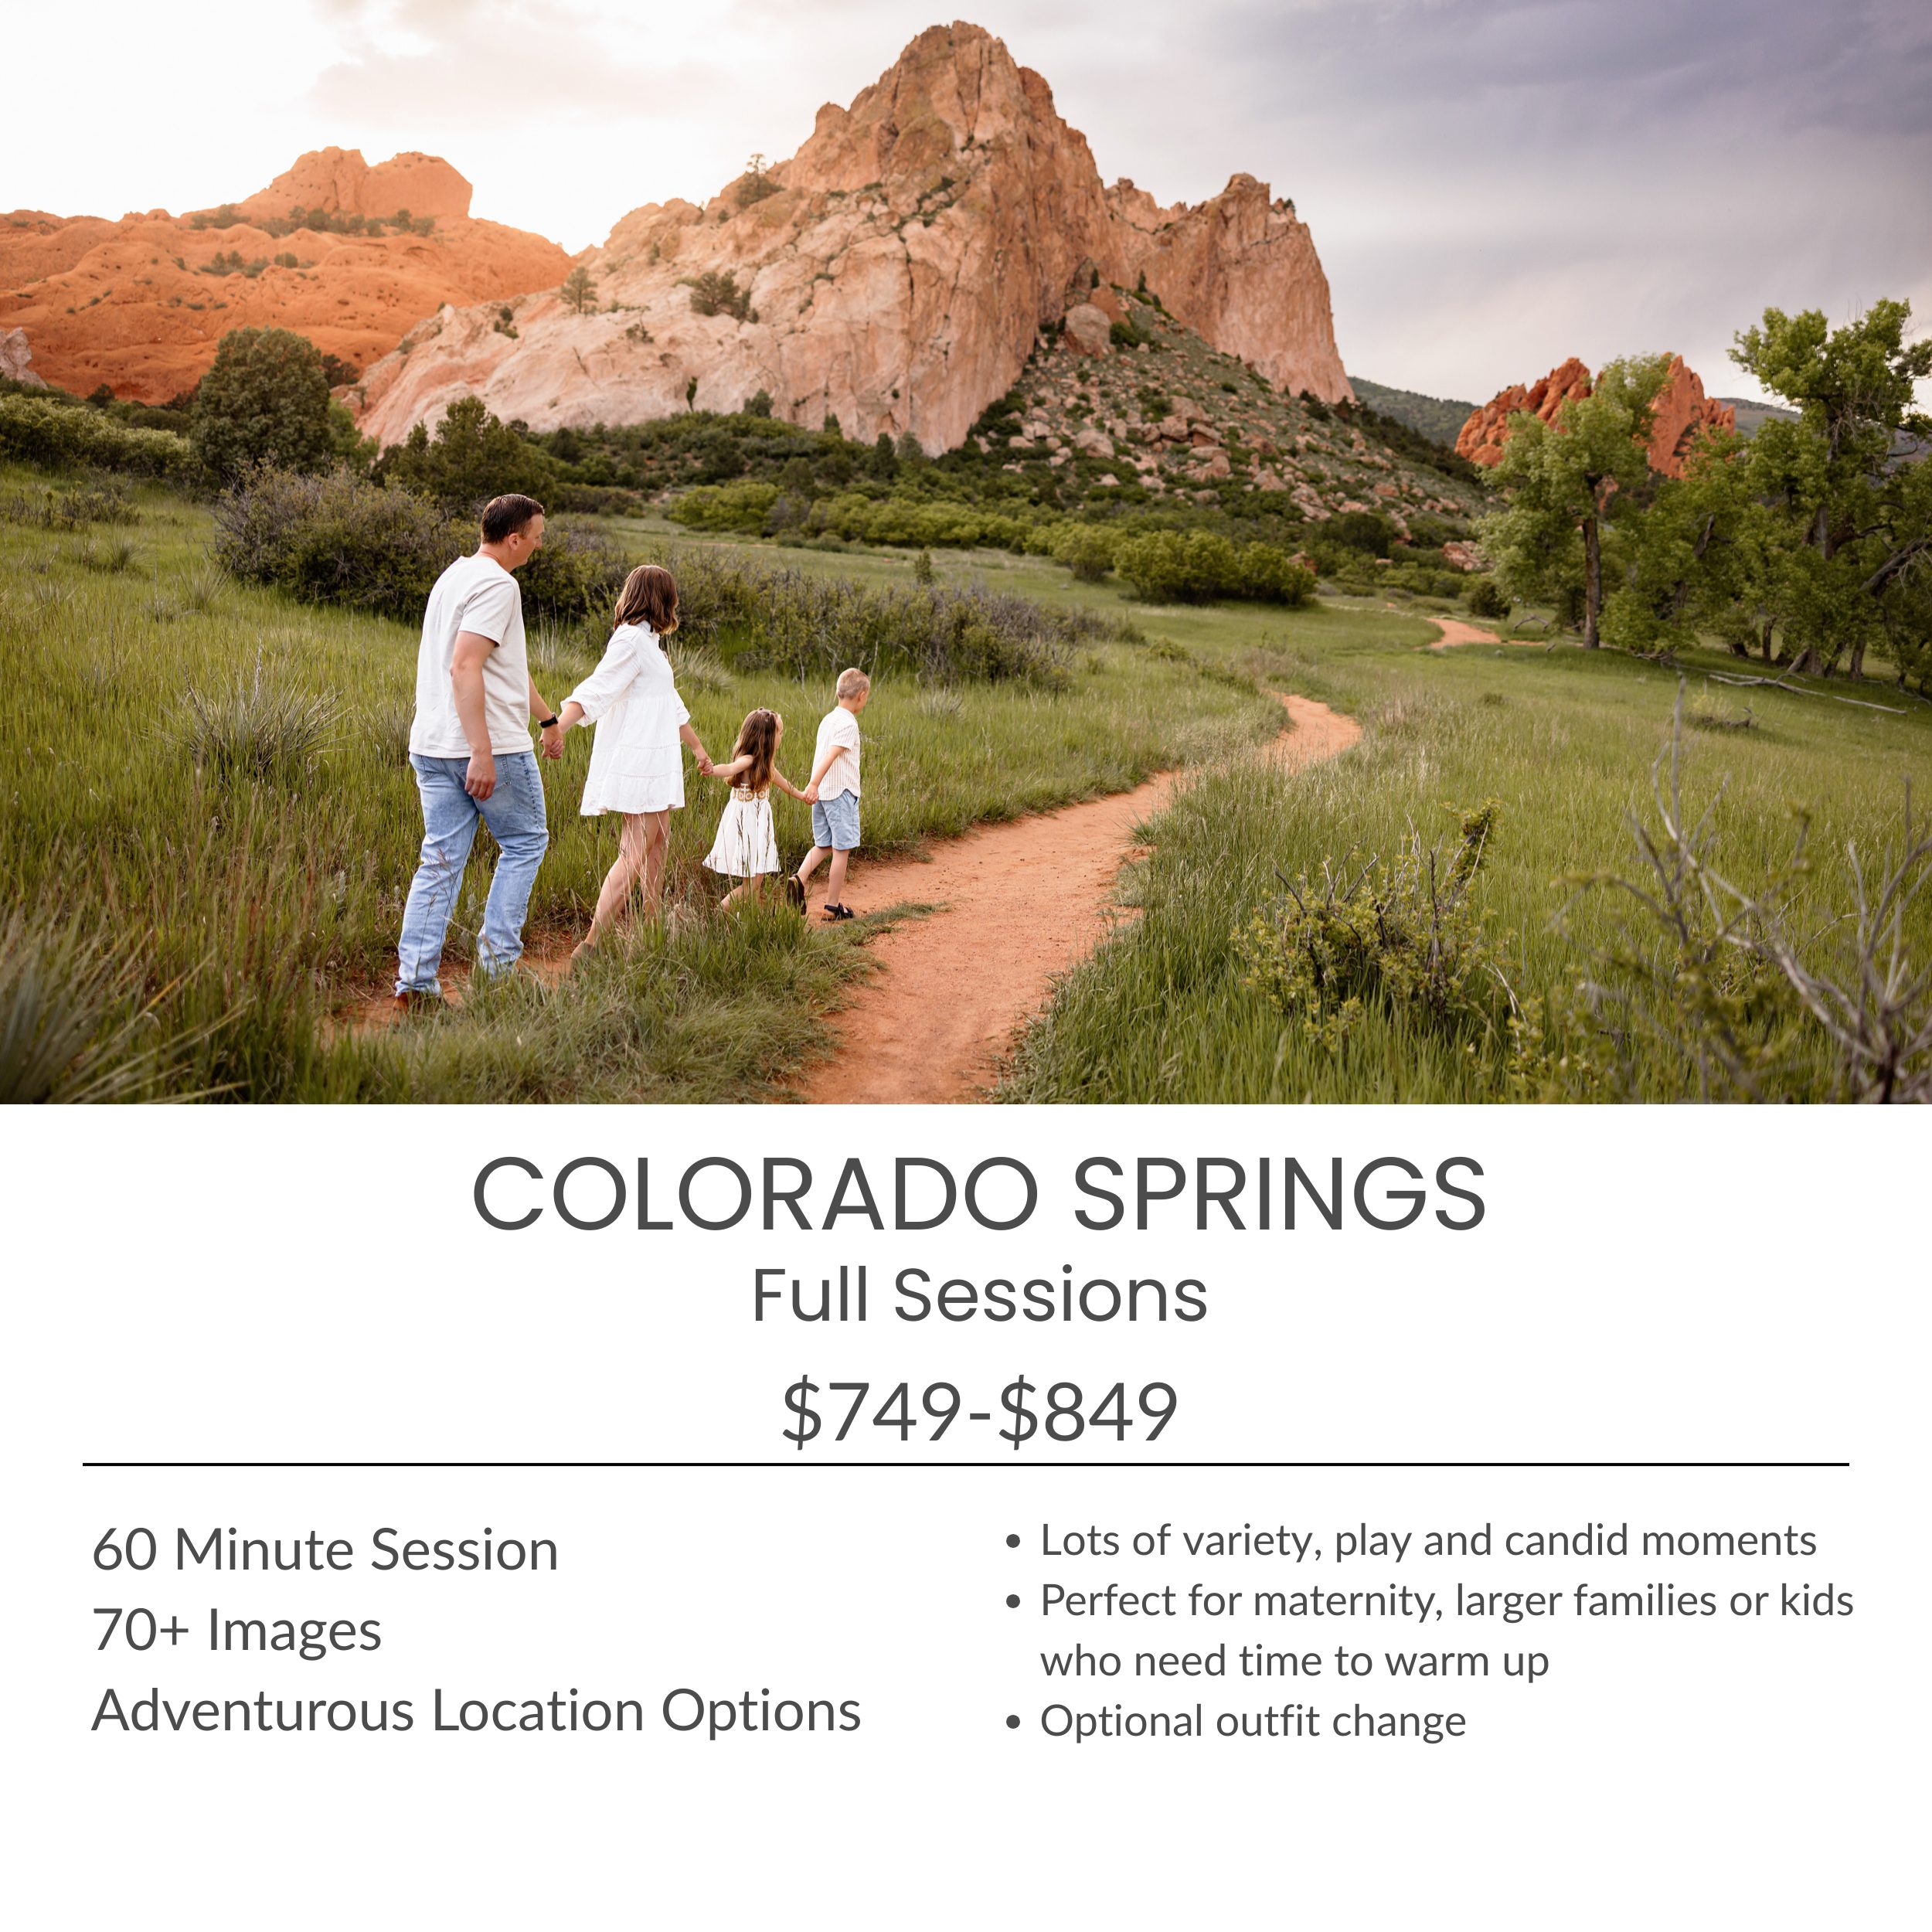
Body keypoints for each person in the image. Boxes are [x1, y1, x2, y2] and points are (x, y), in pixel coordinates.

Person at [393, 492, 563, 1008]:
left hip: (432, 744)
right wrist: (482, 752)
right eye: (535, 537)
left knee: (440, 861)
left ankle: (415, 984)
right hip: (486, 747)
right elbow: (464, 666)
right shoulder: (499, 584)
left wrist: (548, 718)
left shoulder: (455, 576)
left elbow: (501, 665)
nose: (537, 546)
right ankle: (497, 974)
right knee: (526, 842)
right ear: (514, 539)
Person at [554, 563, 713, 960]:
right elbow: (597, 688)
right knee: (635, 853)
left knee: (658, 844)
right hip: (640, 763)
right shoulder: (628, 640)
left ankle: (651, 931)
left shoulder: (650, 645)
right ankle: (590, 945)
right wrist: (557, 726)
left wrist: (697, 748)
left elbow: (670, 704)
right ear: (661, 599)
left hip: (658, 764)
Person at [701, 709, 811, 910]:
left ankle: (748, 919)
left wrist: (803, 796)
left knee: (754, 881)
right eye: (780, 732)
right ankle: (719, 913)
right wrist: (712, 769)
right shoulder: (749, 761)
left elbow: (785, 784)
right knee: (752, 883)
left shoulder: (766, 765)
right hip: (748, 822)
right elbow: (730, 767)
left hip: (759, 822)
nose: (781, 737)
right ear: (767, 737)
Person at [795, 668, 869, 921]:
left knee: (823, 845)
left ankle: (798, 879)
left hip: (825, 794)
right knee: (842, 849)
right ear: (861, 696)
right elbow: (832, 755)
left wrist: (817, 787)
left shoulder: (828, 719)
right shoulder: (849, 723)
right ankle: (831, 906)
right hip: (839, 793)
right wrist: (813, 783)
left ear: (837, 692)